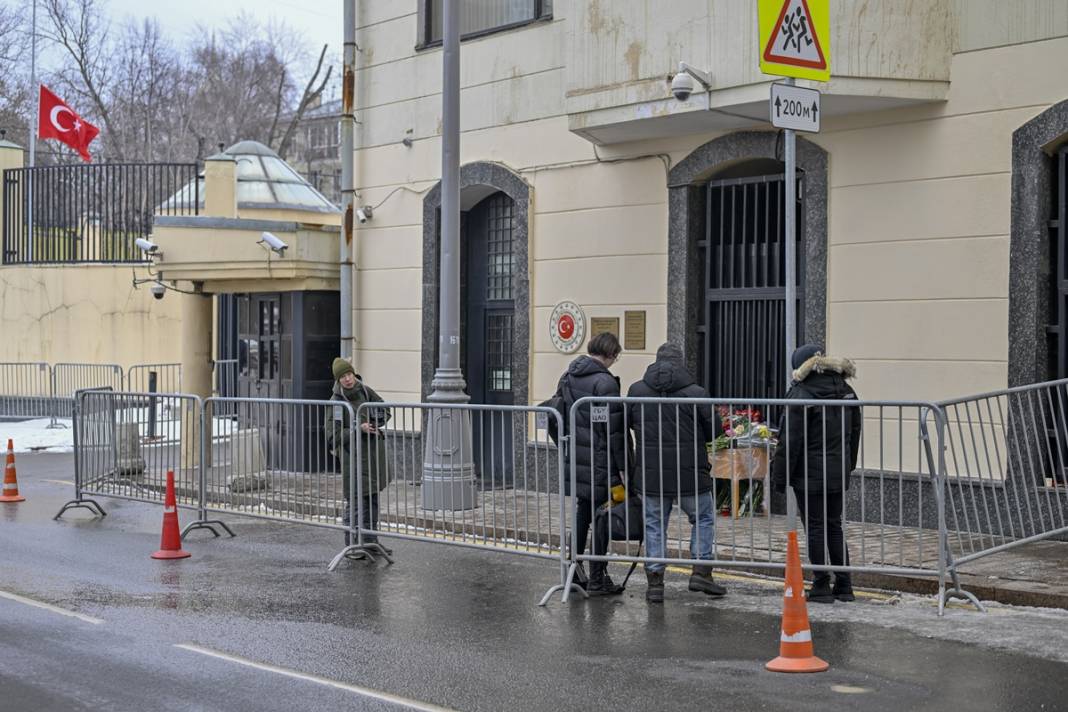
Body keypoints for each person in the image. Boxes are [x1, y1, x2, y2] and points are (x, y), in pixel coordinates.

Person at [627, 343, 725, 603]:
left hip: (651, 475)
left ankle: (656, 583)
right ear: (681, 363)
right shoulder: (696, 393)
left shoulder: (636, 391)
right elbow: (714, 431)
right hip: (690, 474)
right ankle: (701, 571)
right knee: (703, 518)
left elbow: (627, 423)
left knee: (655, 524)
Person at [770, 345, 862, 603]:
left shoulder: (801, 393)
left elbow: (790, 441)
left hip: (808, 474)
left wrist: (781, 476)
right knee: (834, 525)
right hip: (836, 470)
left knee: (815, 526)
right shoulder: (846, 391)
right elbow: (855, 433)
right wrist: (848, 465)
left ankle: (821, 583)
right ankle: (844, 585)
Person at [554, 332, 628, 596]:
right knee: (601, 518)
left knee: (581, 514)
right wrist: (624, 466)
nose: (614, 362)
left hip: (576, 458)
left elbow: (556, 413)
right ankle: (598, 578)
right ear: (609, 354)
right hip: (599, 461)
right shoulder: (604, 382)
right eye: (615, 357)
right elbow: (615, 431)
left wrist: (566, 446)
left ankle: (575, 571)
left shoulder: (569, 375)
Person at [326, 357, 393, 554]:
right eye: (343, 377)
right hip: (353, 458)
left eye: (349, 374)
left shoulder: (364, 390)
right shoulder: (336, 402)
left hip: (372, 457)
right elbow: (333, 435)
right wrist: (358, 428)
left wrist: (375, 420)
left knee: (371, 500)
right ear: (338, 381)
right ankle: (353, 545)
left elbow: (384, 409)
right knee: (356, 502)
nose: (348, 379)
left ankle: (371, 542)